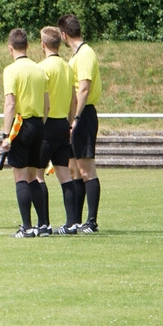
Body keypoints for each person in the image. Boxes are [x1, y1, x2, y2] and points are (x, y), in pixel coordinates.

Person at [2, 28, 50, 238]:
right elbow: (47, 105)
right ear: (28, 46)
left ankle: (27, 227)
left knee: (20, 176)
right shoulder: (39, 69)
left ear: (10, 48)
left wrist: (6, 135)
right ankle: (43, 225)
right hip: (38, 124)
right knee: (33, 176)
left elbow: (10, 103)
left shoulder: (11, 70)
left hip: (21, 125)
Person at [58, 13, 103, 233]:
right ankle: (74, 222)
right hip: (75, 116)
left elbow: (84, 88)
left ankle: (91, 222)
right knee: (73, 169)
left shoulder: (85, 54)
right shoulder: (77, 55)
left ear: (63, 35)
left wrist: (75, 118)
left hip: (83, 116)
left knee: (86, 170)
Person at [36, 25, 79, 233]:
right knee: (64, 174)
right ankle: (71, 223)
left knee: (37, 175)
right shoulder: (67, 67)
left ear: (42, 45)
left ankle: (43, 223)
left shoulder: (42, 68)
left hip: (47, 125)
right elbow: (73, 100)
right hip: (63, 123)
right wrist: (70, 123)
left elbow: (42, 101)